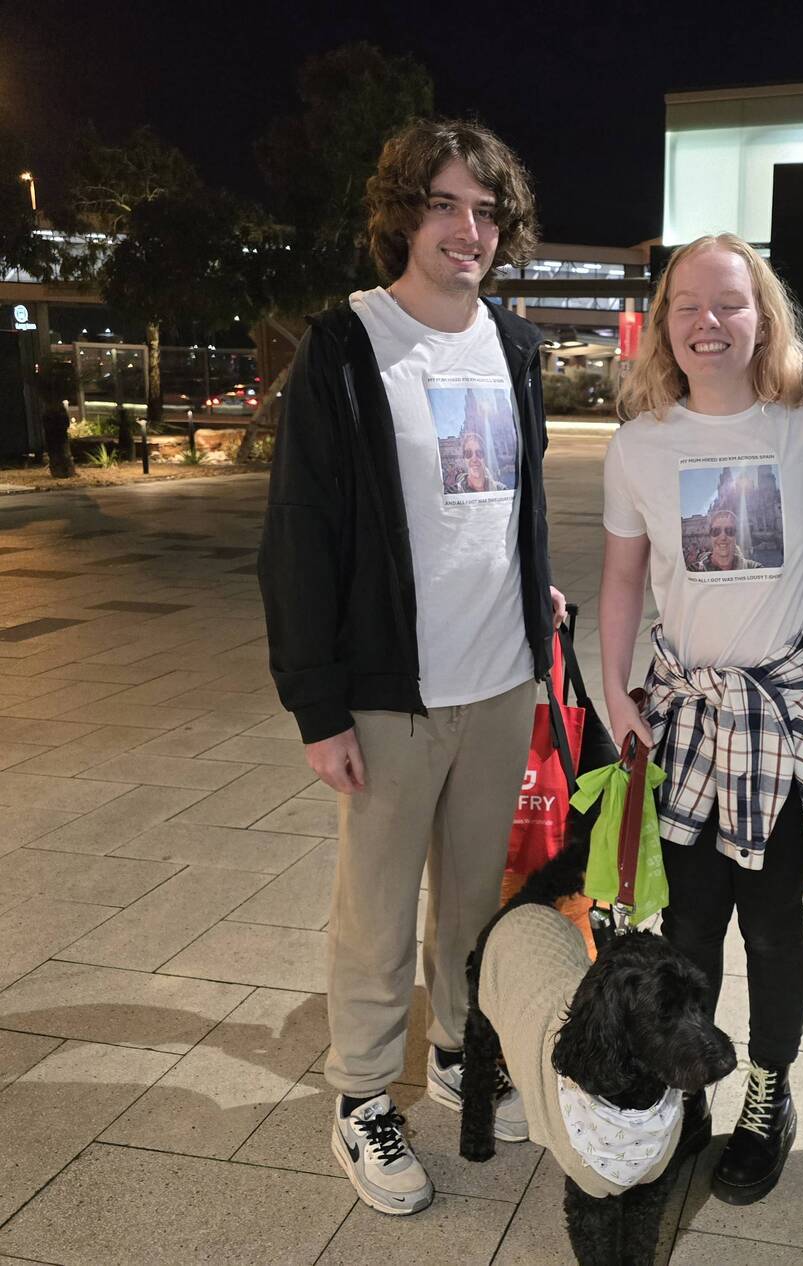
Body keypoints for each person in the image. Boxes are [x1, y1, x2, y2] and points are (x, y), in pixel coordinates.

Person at [258, 117, 565, 1218]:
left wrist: (536, 603)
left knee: (474, 904)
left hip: (499, 683)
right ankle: (358, 1101)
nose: (467, 230)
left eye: (486, 212)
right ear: (403, 214)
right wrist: (318, 705)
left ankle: (456, 1052)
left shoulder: (516, 348)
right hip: (390, 692)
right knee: (377, 909)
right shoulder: (348, 344)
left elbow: (502, 506)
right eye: (444, 206)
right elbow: (300, 535)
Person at [599, 233, 803, 1207]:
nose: (709, 323)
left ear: (764, 317)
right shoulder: (640, 445)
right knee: (692, 926)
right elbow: (622, 581)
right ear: (665, 323)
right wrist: (616, 696)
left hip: (787, 724)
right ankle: (692, 1083)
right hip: (687, 722)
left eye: (730, 304)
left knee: (774, 929)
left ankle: (770, 1095)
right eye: (689, 306)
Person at [695, 508, 763, 571]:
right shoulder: (695, 570)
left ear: (736, 535)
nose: (723, 537)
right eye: (716, 531)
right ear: (710, 535)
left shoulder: (754, 568)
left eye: (730, 531)